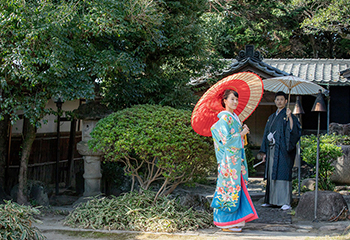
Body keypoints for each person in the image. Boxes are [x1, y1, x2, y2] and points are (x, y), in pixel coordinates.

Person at [210, 89, 258, 232]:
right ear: (224, 101)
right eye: (232, 99)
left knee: (236, 188)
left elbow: (237, 140)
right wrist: (241, 134)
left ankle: (235, 221)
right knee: (228, 188)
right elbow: (226, 140)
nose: (235, 102)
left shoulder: (234, 117)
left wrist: (243, 132)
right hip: (229, 161)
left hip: (236, 159)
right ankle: (225, 222)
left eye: (236, 99)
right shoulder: (225, 119)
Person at [259, 91, 301, 211]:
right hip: (272, 150)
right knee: (272, 173)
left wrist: (290, 118)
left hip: (283, 151)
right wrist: (265, 152)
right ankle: (271, 200)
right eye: (277, 99)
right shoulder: (271, 117)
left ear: (286, 101)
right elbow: (266, 133)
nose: (279, 102)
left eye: (282, 100)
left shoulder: (288, 115)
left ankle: (285, 201)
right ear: (275, 101)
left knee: (282, 173)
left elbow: (294, 132)